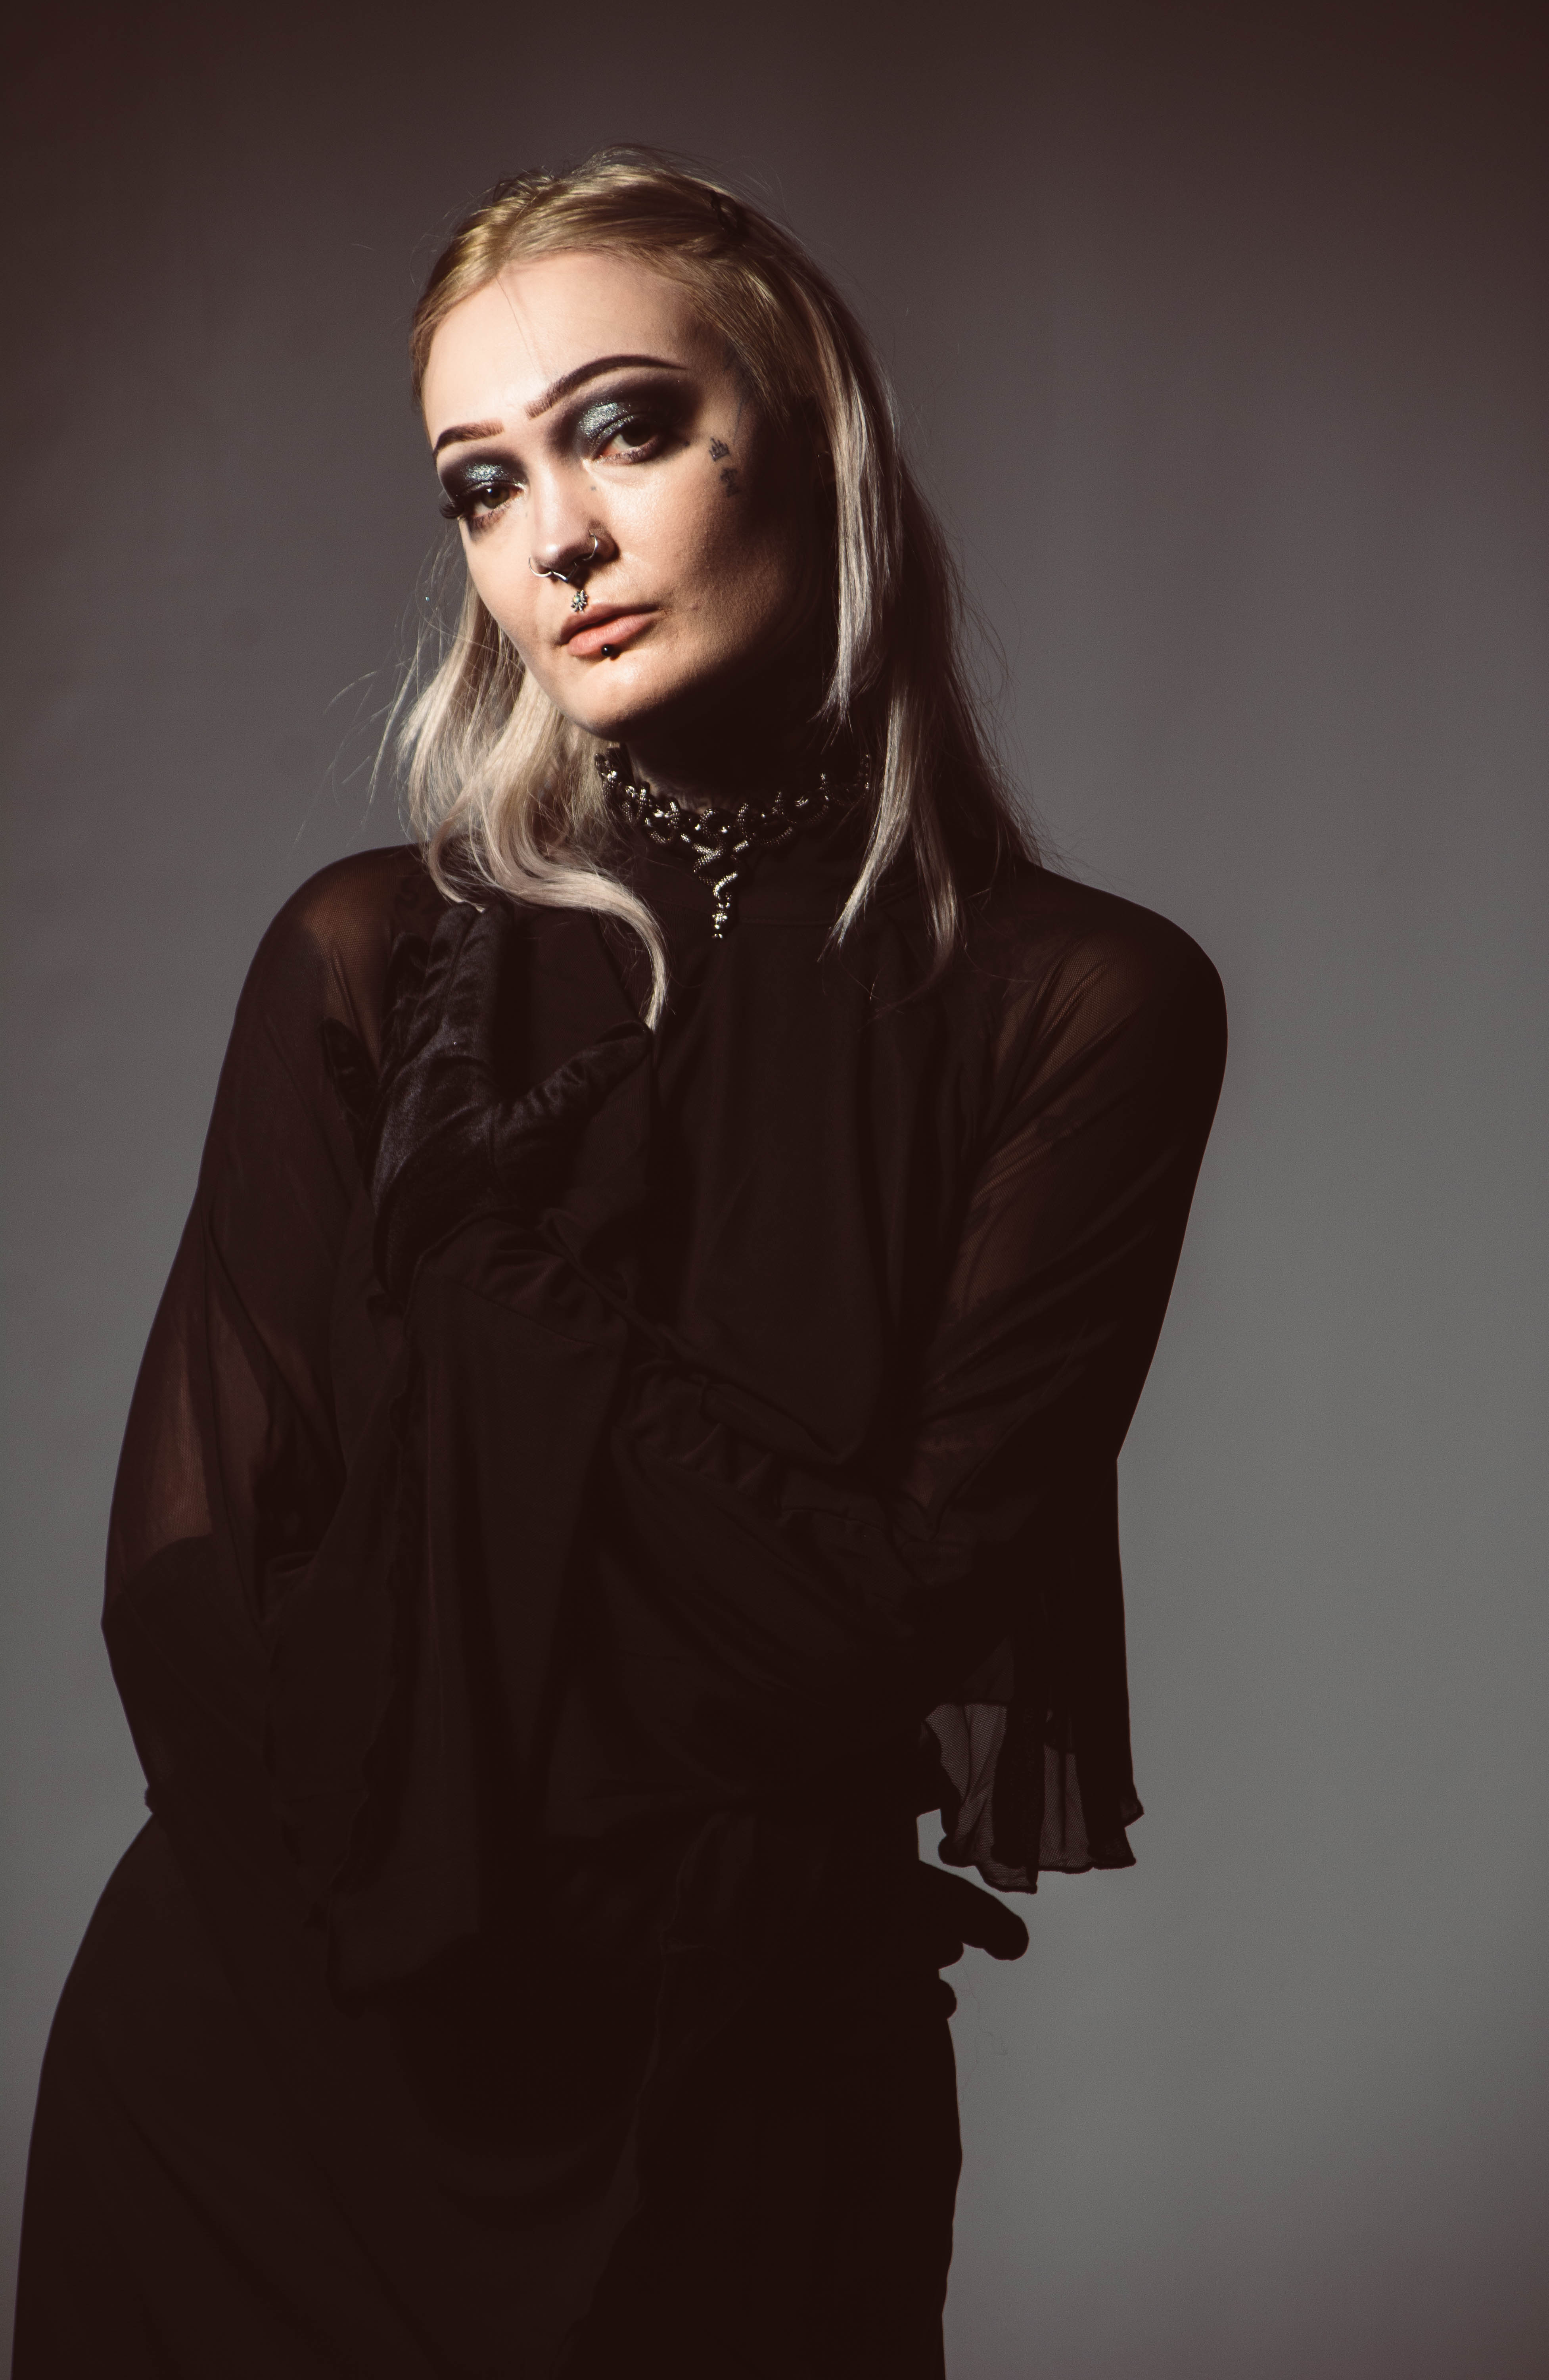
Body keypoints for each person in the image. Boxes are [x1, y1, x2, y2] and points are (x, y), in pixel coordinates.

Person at [13, 150, 1226, 2378]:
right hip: (272, 2070)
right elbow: (190, 1589)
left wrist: (508, 1300)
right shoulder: (374, 962)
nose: (551, 537)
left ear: (812, 433)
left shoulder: (1083, 1007)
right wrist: (423, 1933)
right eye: (483, 485)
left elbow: (886, 1621)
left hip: (737, 2099)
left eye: (624, 431)